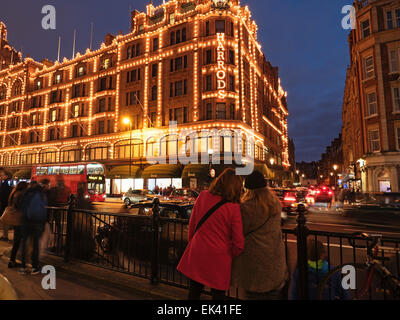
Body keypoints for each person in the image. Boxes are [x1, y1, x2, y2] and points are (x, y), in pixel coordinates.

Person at [177, 168, 244, 300]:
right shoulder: (233, 207)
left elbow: (193, 224)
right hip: (219, 257)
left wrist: (193, 242)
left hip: (198, 250)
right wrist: (230, 254)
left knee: (194, 291)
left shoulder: (203, 196)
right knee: (218, 295)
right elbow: (238, 243)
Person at [231, 170, 288, 300]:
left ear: (248, 190)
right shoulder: (275, 204)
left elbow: (237, 233)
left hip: (254, 269)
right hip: (275, 264)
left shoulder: (245, 208)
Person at [19, 182, 48, 275]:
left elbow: (21, 207)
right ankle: (34, 267)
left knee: (24, 244)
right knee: (35, 244)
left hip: (26, 221)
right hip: (37, 222)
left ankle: (23, 267)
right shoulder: (42, 194)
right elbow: (44, 210)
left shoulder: (26, 193)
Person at [7, 181, 29, 268]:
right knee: (21, 242)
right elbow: (22, 207)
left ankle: (12, 260)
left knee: (17, 241)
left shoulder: (14, 193)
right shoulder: (21, 194)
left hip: (15, 220)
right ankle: (16, 261)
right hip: (21, 220)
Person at [0, 168, 12, 241]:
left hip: (5, 204)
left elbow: (4, 194)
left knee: (5, 220)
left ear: (6, 176)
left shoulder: (6, 183)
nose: (1, 176)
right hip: (4, 204)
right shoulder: (4, 182)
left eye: (2, 175)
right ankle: (5, 235)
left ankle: (5, 236)